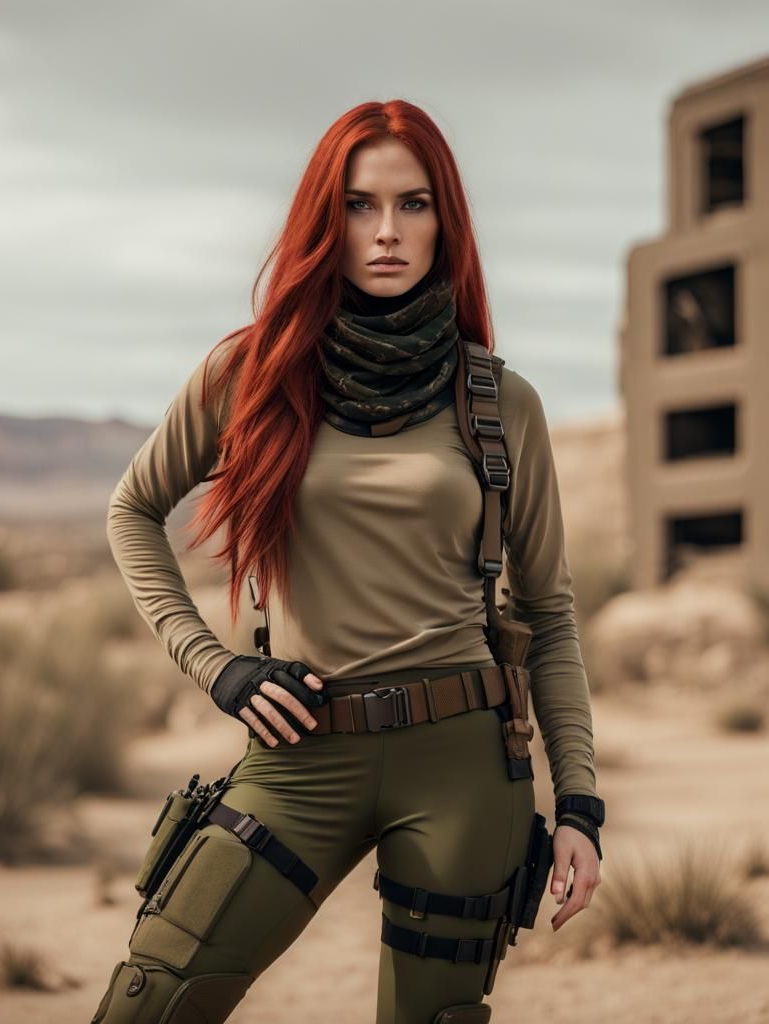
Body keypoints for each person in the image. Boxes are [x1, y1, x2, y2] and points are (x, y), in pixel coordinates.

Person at [90, 99, 604, 1024]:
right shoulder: (248, 377)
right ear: (325, 220)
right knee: (148, 1004)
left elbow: (550, 613)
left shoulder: (501, 401)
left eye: (413, 205)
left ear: (445, 219)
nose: (386, 233)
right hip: (299, 757)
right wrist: (216, 666)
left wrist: (580, 804)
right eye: (360, 206)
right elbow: (134, 511)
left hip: (464, 762)